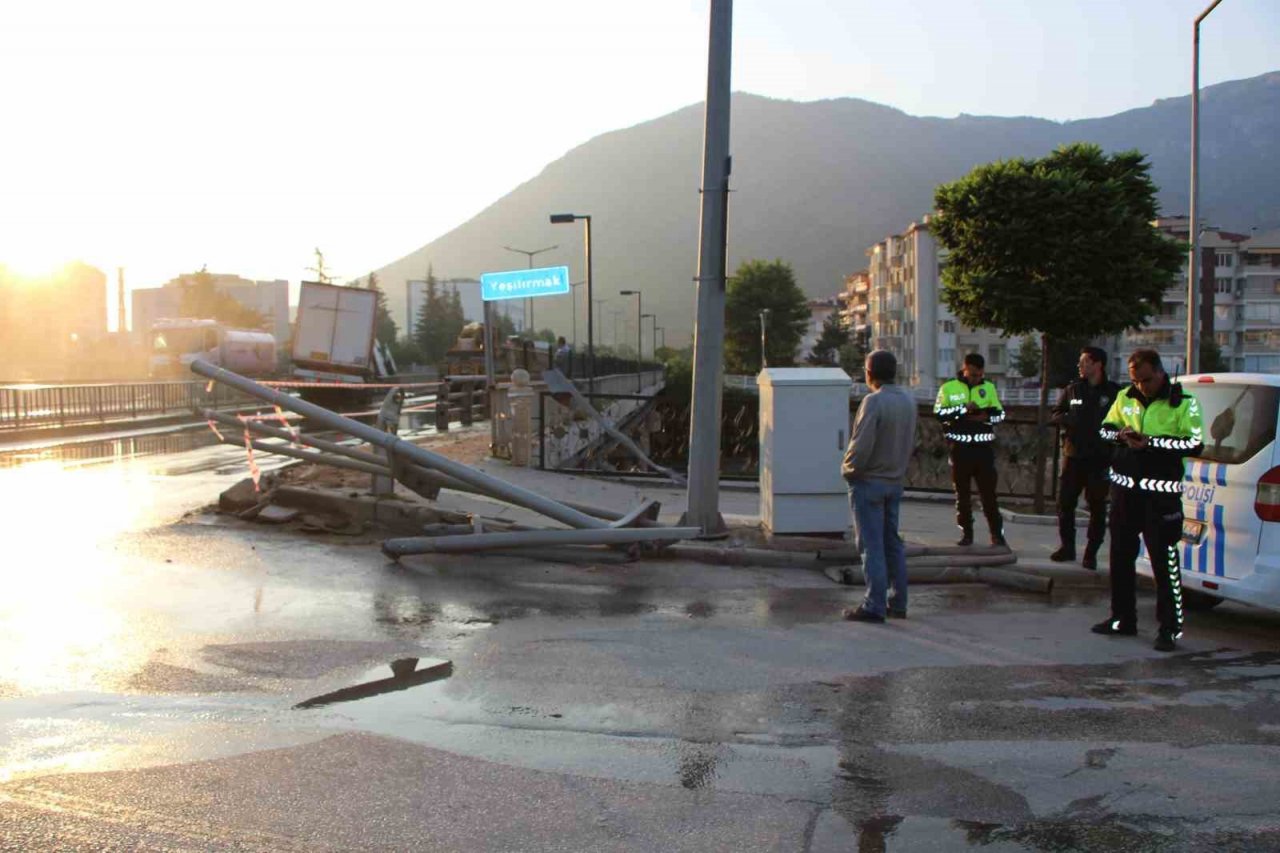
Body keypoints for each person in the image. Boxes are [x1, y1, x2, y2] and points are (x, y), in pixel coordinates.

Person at [1092, 348, 1203, 652]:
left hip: (1160, 499)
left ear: (1160, 372)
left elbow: (1194, 443)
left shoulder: (1185, 403)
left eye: (1146, 380)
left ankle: (1169, 628)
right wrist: (1121, 436)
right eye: (1135, 381)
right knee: (1120, 559)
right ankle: (1122, 618)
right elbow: (1105, 429)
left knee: (1165, 565)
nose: (1141, 386)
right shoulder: (1125, 397)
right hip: (1125, 494)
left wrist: (1151, 443)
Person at [841, 350, 918, 623]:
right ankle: (898, 602)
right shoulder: (908, 401)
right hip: (894, 481)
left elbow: (861, 445)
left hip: (869, 481)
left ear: (870, 373)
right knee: (892, 543)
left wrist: (848, 470)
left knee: (871, 546)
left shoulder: (873, 402)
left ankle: (874, 605)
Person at [1049, 346, 1122, 569]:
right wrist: (1068, 419)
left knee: (1097, 507)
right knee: (1065, 504)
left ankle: (1091, 553)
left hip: (1100, 458)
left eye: (1085, 362)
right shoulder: (1073, 390)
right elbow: (1056, 413)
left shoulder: (1114, 392)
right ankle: (1067, 547)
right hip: (1073, 455)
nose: (1080, 366)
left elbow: (1122, 420)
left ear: (1098, 364)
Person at [934, 353, 1007, 547]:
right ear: (964, 369)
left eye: (980, 375)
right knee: (962, 495)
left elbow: (1000, 414)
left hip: (984, 450)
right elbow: (939, 414)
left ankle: (997, 535)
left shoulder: (988, 387)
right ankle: (967, 534)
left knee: (989, 496)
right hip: (960, 449)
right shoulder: (948, 388)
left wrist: (986, 416)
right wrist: (962, 409)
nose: (976, 378)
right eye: (973, 374)